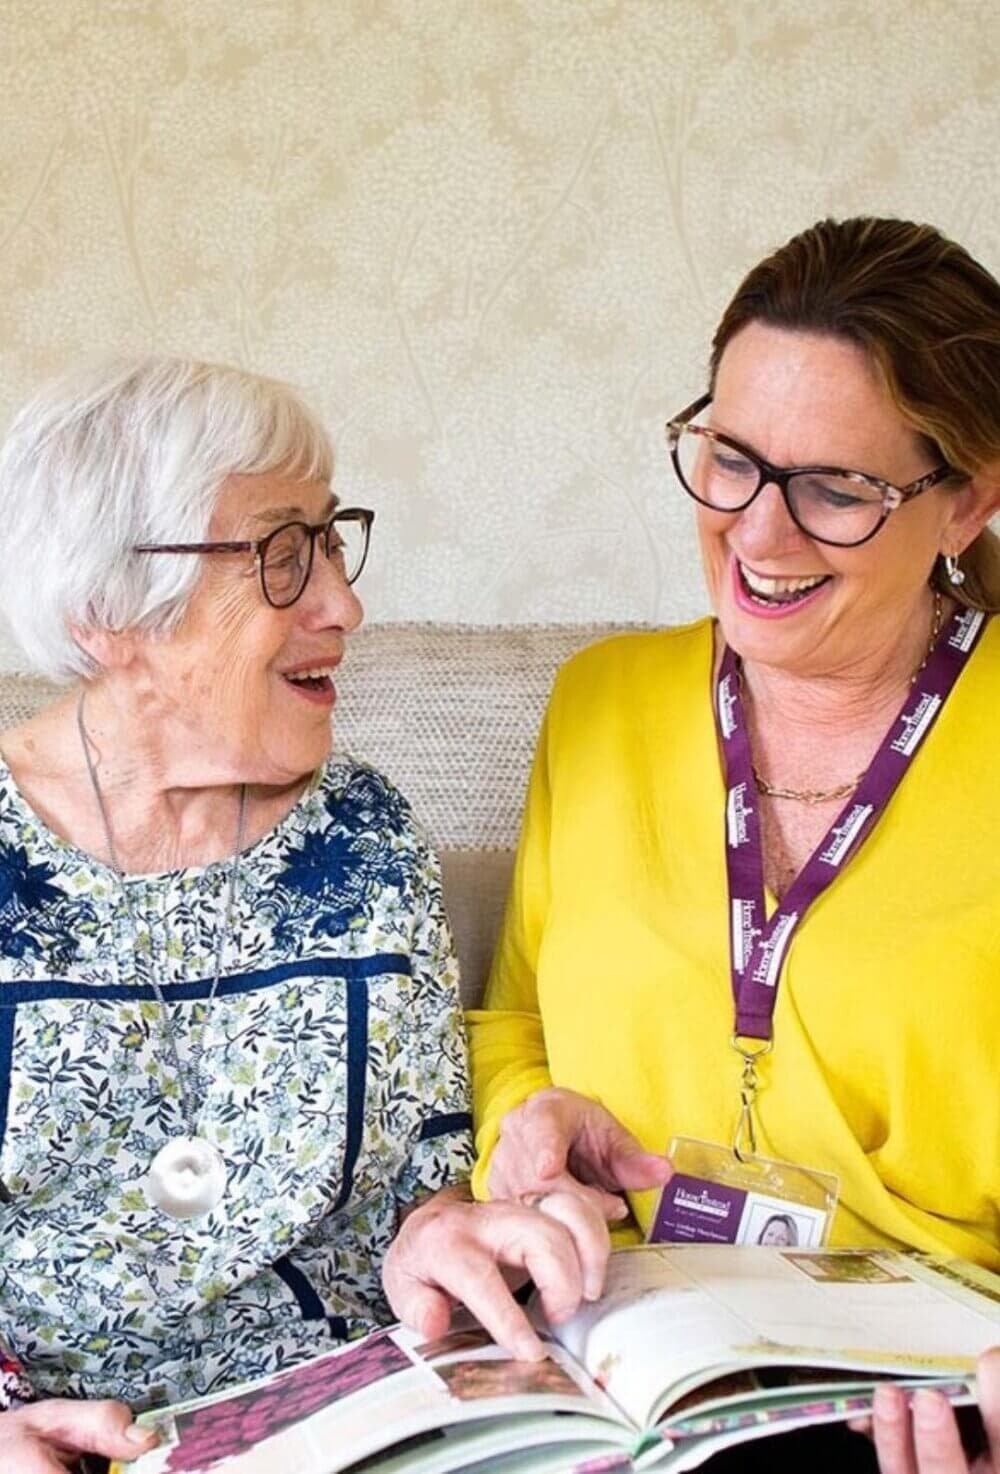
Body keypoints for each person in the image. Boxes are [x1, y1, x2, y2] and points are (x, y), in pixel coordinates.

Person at [0, 356, 606, 1472]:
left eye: (330, 540)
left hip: (357, 1417)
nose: (343, 602)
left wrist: (446, 1235)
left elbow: (419, 1183)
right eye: (282, 553)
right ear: (106, 609)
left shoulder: (360, 833)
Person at [469, 218, 1000, 1473]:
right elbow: (513, 1022)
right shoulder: (602, 698)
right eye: (729, 460)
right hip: (618, 1362)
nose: (757, 535)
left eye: (835, 488)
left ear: (967, 498)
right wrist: (522, 1128)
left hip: (921, 1398)